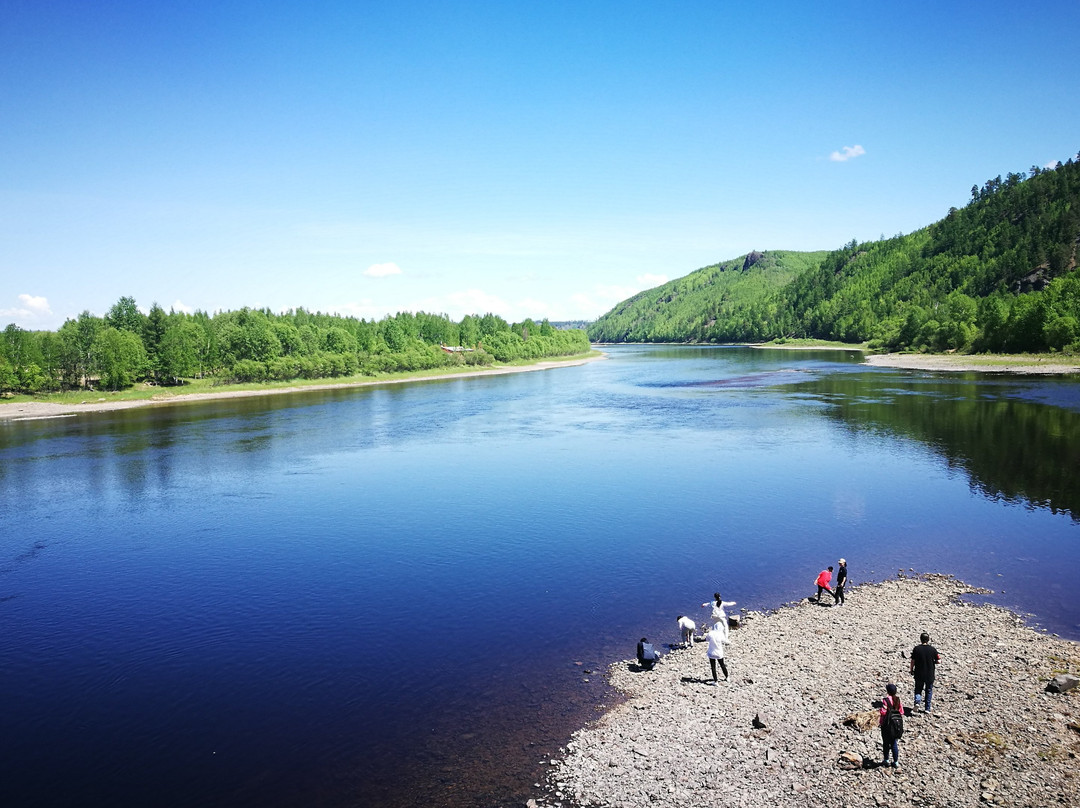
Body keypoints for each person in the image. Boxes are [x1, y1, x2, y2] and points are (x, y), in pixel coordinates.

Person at [910, 632, 940, 712]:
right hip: (930, 673)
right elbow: (939, 661)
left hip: (919, 673)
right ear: (928, 639)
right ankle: (927, 708)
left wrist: (911, 670)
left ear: (920, 639)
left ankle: (917, 701)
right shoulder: (933, 649)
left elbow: (913, 661)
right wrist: (933, 662)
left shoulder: (916, 649)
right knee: (929, 690)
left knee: (918, 689)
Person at [879, 683, 903, 768]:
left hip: (886, 724)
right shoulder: (898, 700)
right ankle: (896, 762)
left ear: (888, 691)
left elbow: (883, 712)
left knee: (886, 743)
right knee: (894, 743)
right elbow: (901, 712)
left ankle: (886, 760)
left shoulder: (886, 700)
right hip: (896, 725)